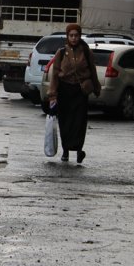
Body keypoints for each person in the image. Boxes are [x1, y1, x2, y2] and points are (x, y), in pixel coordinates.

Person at [47, 23, 101, 164]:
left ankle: (78, 151)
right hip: (65, 91)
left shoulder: (85, 51)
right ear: (67, 36)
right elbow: (55, 74)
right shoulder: (61, 52)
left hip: (80, 91)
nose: (74, 38)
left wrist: (96, 88)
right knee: (65, 122)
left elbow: (93, 71)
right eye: (71, 35)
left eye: (76, 35)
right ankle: (65, 151)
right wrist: (52, 94)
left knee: (79, 123)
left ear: (79, 36)